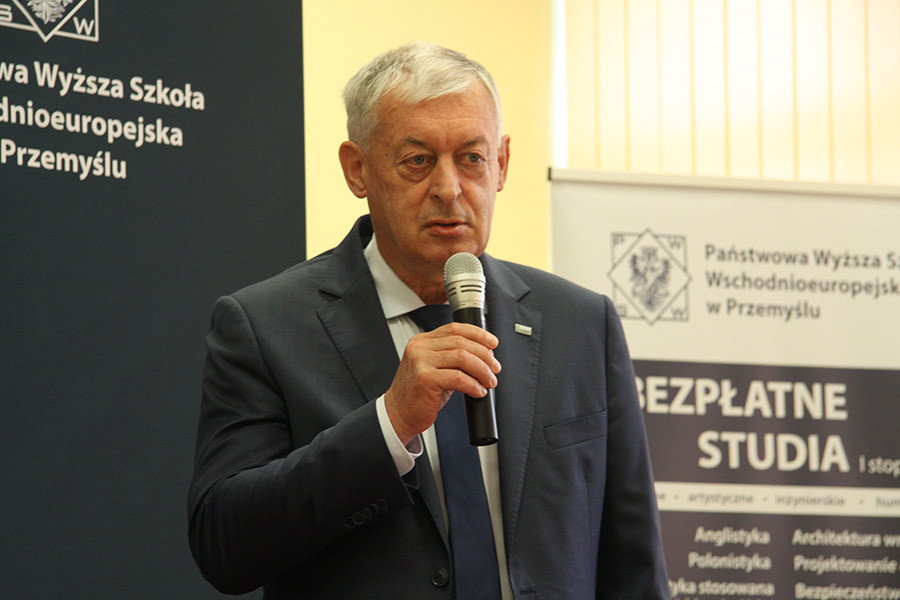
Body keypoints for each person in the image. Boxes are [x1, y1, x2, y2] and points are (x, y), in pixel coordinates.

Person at [188, 41, 670, 599]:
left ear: (502, 163)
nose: (449, 188)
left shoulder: (581, 324)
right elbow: (224, 544)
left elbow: (634, 567)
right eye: (418, 160)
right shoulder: (265, 326)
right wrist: (389, 424)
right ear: (357, 170)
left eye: (471, 158)